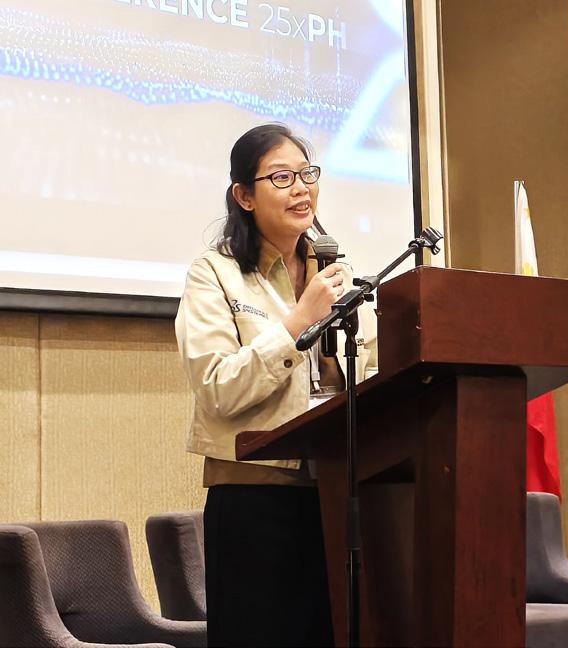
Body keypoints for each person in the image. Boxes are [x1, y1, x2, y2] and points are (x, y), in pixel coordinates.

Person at [175, 123, 378, 647]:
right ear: (244, 196)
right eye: (282, 177)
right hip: (254, 501)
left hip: (337, 495)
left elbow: (370, 375)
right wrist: (298, 322)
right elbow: (218, 387)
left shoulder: (336, 274)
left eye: (307, 174)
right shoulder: (214, 274)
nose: (301, 189)